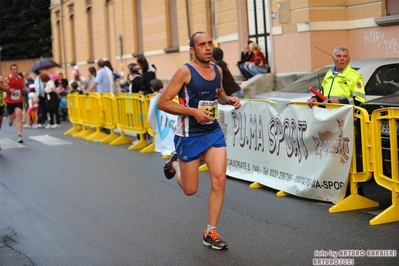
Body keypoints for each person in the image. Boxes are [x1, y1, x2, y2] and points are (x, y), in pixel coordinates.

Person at [158, 31, 241, 251]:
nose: (207, 48)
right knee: (190, 189)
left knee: (220, 181)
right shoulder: (184, 71)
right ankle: (175, 164)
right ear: (192, 50)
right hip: (189, 134)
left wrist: (228, 99)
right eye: (202, 45)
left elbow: (219, 95)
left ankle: (210, 232)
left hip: (212, 131)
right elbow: (163, 102)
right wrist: (193, 111)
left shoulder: (218, 70)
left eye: (209, 44)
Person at [4, 64, 27, 143]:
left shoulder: (21, 78)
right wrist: (9, 90)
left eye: (16, 69)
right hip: (10, 101)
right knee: (12, 116)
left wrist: (27, 89)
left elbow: (23, 87)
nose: (15, 71)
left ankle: (19, 136)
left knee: (19, 115)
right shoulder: (7, 78)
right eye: (13, 69)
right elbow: (4, 88)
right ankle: (10, 120)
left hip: (18, 100)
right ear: (11, 70)